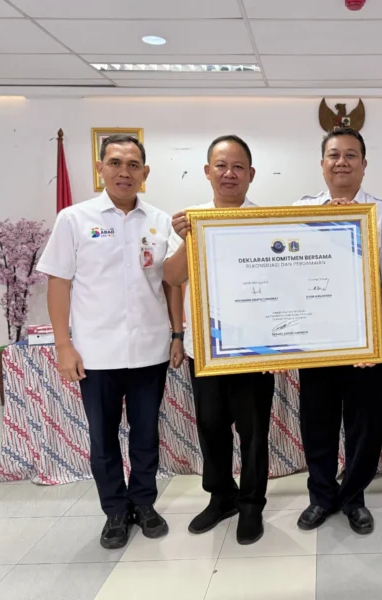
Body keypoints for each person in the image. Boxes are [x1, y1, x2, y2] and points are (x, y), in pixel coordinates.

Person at [38, 134, 184, 549]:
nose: (124, 171)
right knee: (102, 438)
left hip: (150, 350)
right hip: (96, 354)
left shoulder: (159, 221)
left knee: (146, 434)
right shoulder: (74, 218)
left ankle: (144, 503)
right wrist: (63, 345)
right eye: (116, 163)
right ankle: (115, 512)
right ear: (100, 168)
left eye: (133, 164)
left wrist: (177, 333)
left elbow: (172, 282)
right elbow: (59, 283)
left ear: (145, 172)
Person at [293, 126, 382, 535]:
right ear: (322, 164)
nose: (342, 162)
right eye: (334, 155)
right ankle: (320, 497)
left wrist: (367, 333)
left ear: (364, 164)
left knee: (365, 427)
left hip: (366, 345)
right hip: (316, 344)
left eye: (350, 155)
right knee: (317, 423)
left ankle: (353, 498)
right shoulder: (300, 211)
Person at [163, 135, 274, 545]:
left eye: (238, 166)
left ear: (251, 174)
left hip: (254, 350)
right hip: (205, 349)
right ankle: (221, 496)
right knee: (211, 426)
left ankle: (251, 504)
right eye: (221, 166)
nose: (230, 173)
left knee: (253, 431)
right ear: (207, 171)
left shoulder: (268, 221)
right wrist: (189, 239)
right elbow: (173, 277)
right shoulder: (190, 221)